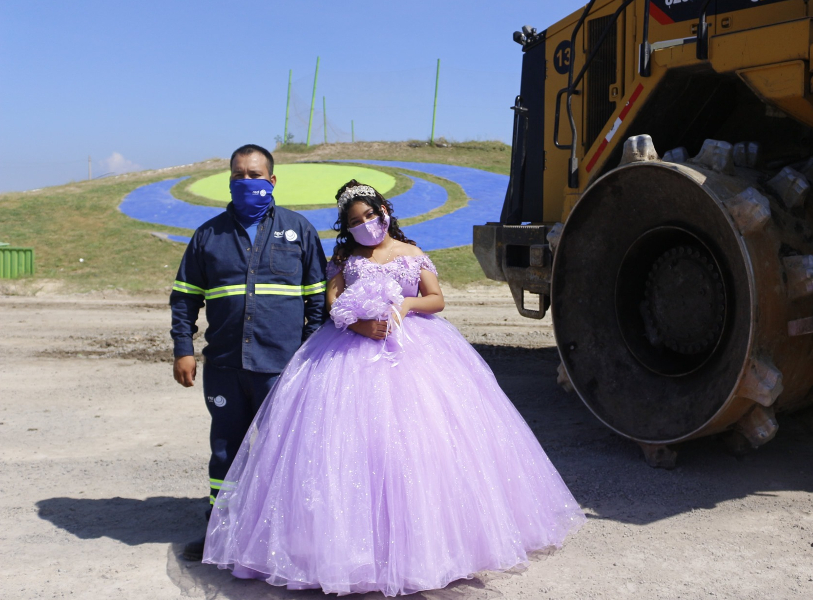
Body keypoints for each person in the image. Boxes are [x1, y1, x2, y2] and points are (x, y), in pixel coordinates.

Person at [203, 180, 584, 596]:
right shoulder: (347, 257)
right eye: (355, 221)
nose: (365, 225)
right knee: (343, 447)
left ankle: (428, 548)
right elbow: (333, 303)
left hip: (416, 351)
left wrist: (405, 304)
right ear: (345, 228)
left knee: (418, 445)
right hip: (349, 353)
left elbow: (436, 299)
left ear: (385, 210)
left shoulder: (411, 252)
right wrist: (360, 323)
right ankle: (340, 551)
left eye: (370, 215)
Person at [170, 144, 328, 562]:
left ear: (272, 181)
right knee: (226, 450)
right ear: (230, 180)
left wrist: (310, 353)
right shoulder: (208, 235)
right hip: (224, 365)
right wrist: (183, 349)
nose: (247, 182)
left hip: (283, 366)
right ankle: (220, 535)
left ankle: (287, 540)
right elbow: (184, 298)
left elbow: (319, 300)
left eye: (255, 175)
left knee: (285, 452)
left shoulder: (299, 230)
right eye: (239, 175)